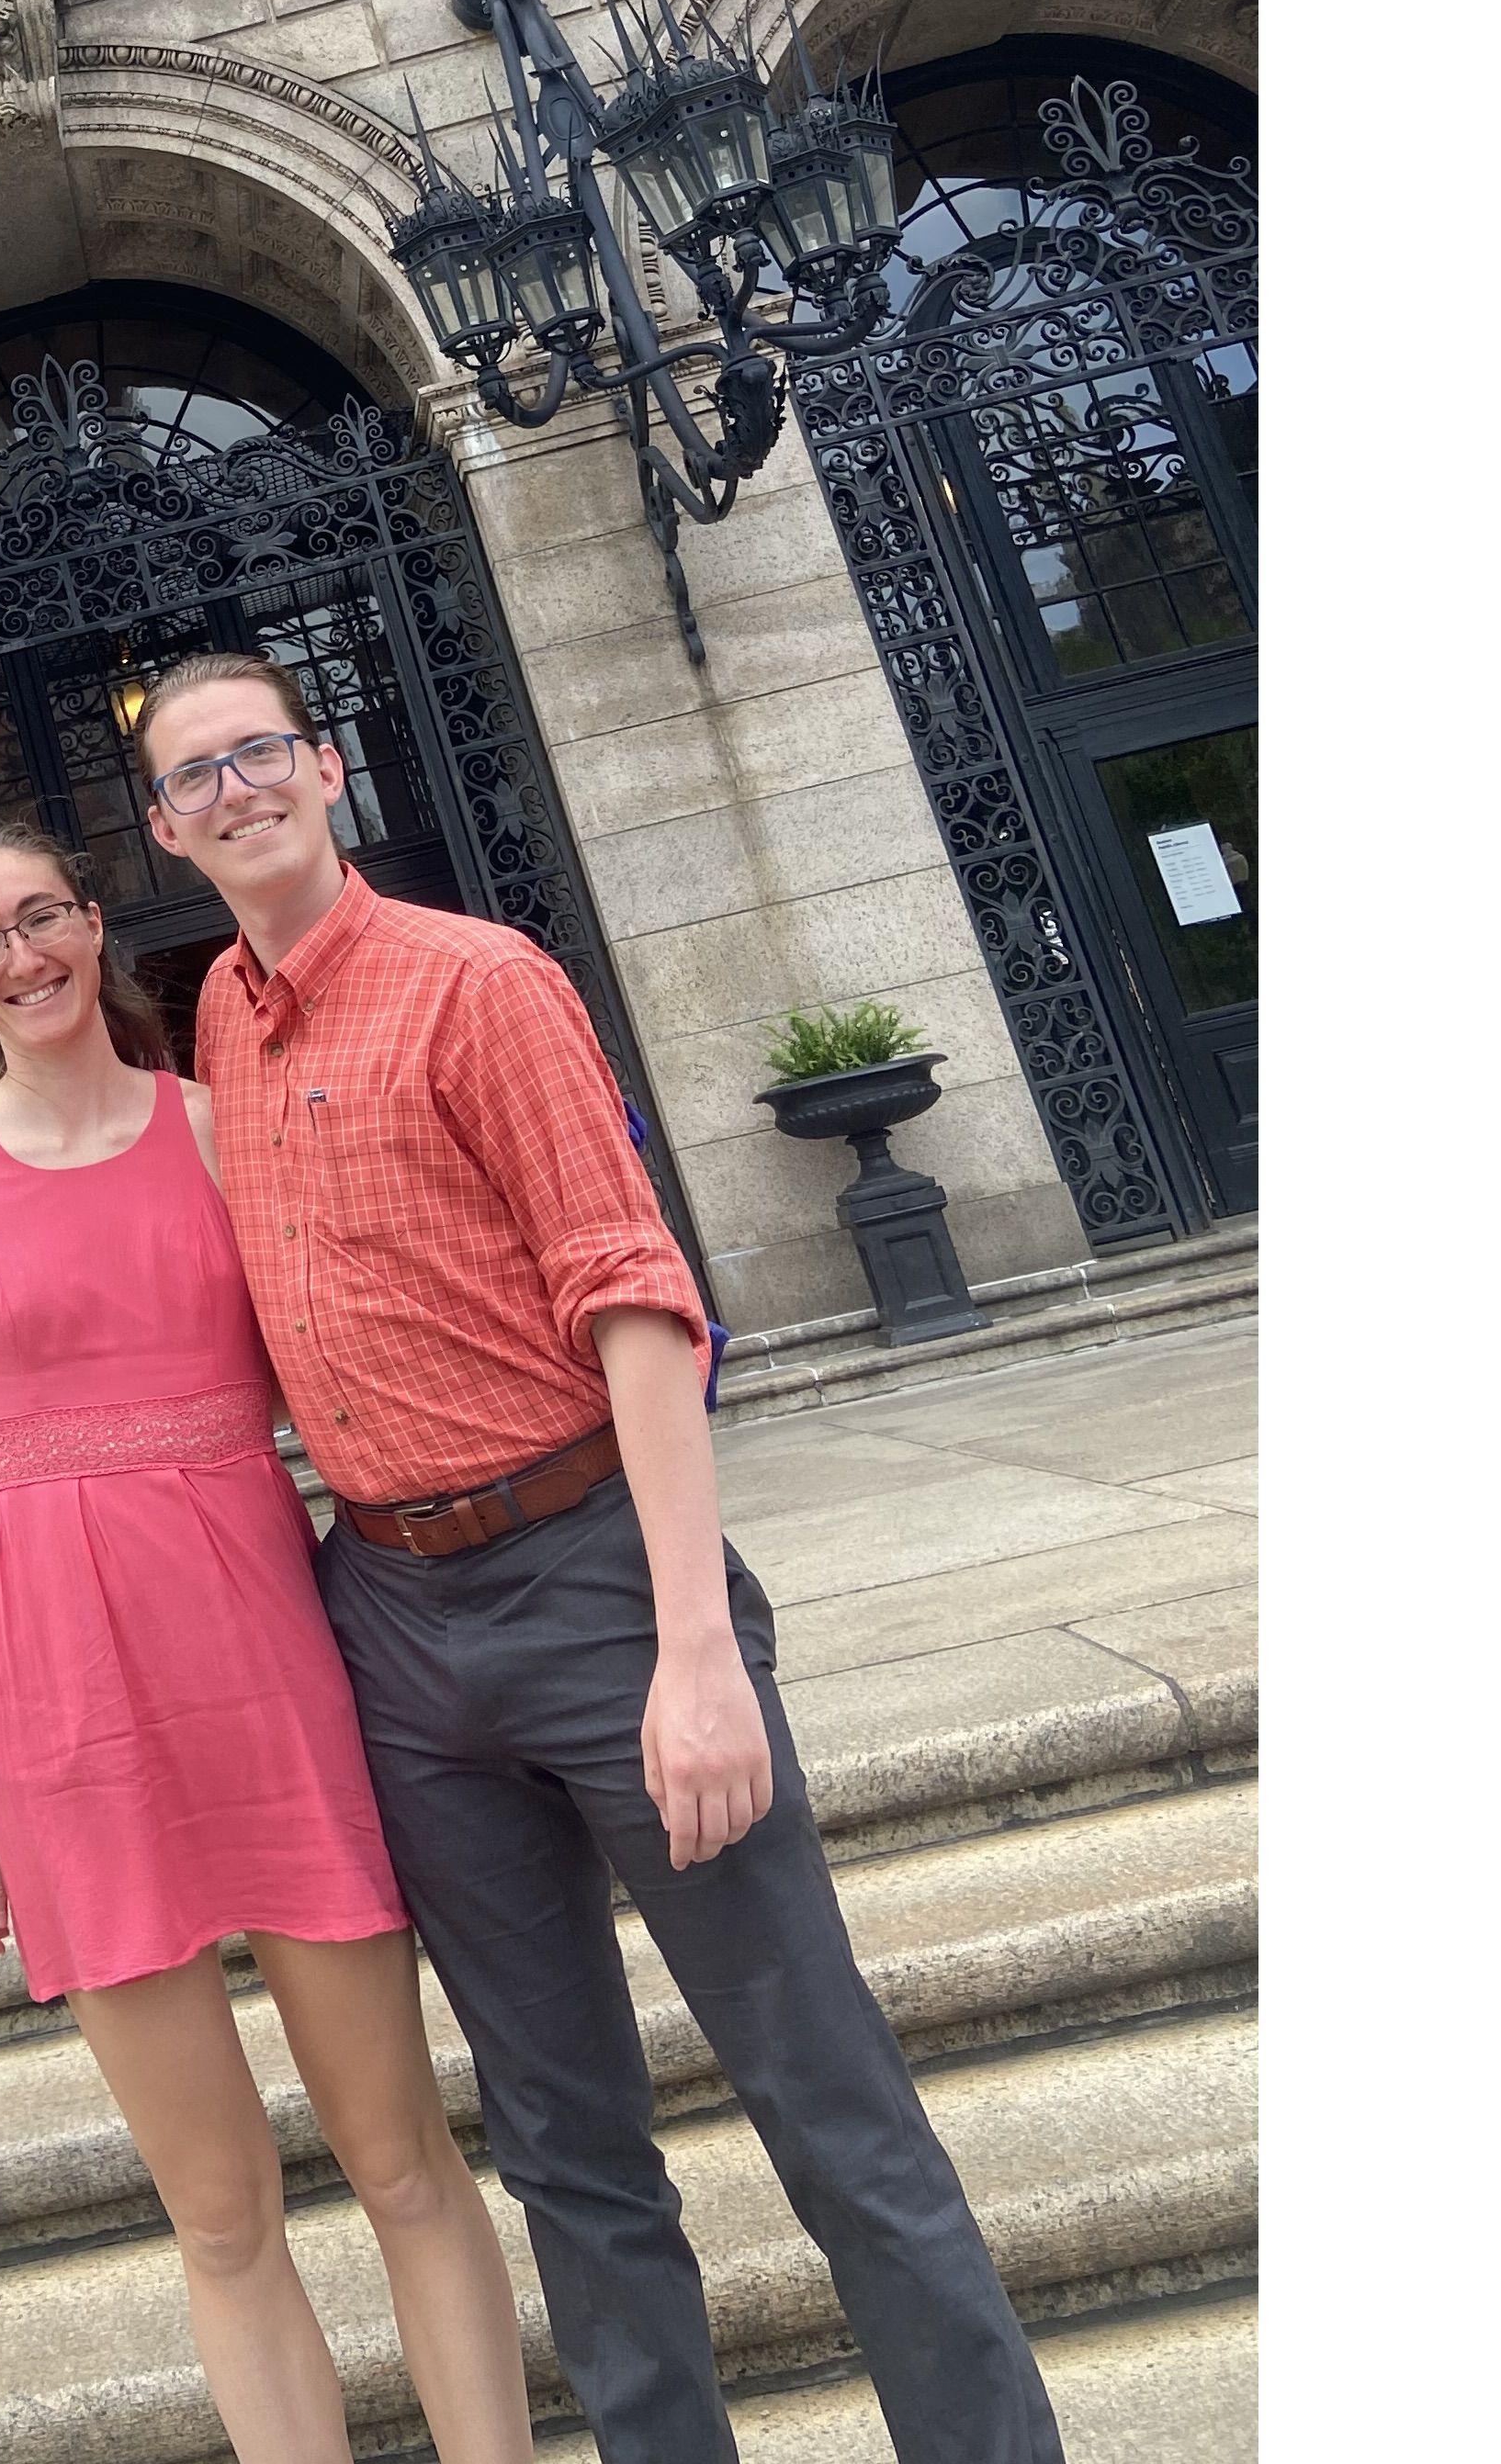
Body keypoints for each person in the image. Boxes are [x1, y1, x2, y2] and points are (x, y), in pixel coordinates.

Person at [131, 650, 1064, 2464]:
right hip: (394, 1619)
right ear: (166, 830)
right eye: (195, 777)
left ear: (328, 771)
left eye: (259, 753)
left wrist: (696, 1645)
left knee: (826, 2097)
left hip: (597, 1581)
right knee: (565, 2144)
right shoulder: (223, 1028)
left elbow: (639, 1300)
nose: (235, 790)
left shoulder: (480, 983)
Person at [0, 813, 539, 2464]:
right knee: (222, 2215)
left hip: (267, 1668)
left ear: (95, 928)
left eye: (42, 919)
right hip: (64, 1710)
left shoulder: (226, 1130)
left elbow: (355, 1352)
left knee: (402, 2162)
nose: (20, 956)